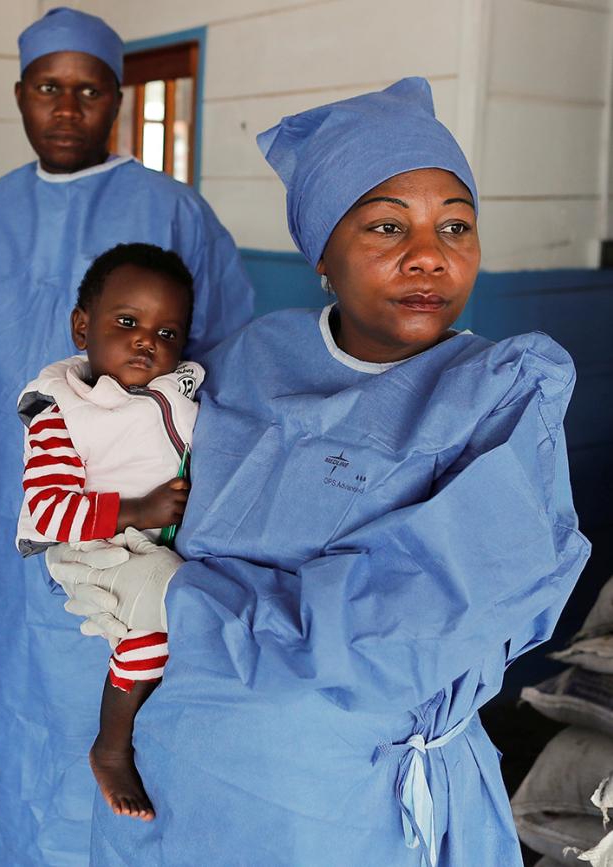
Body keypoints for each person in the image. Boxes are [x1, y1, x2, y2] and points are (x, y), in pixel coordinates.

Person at [48, 77, 592, 867]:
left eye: (457, 225)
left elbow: (410, 627)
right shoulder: (239, 366)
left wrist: (178, 597)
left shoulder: (501, 399)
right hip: (177, 777)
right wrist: (88, 537)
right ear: (324, 259)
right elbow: (121, 465)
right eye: (385, 225)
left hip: (341, 806)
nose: (429, 255)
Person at [0, 8, 254, 862]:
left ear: (115, 100)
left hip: (147, 514)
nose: (67, 108)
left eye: (88, 91)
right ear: (21, 95)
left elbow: (220, 362)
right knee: (27, 698)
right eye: (49, 88)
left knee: (137, 686)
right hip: (26, 496)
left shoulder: (171, 209)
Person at [15, 243, 201, 821]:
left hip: (152, 536)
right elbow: (45, 511)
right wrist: (135, 511)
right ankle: (112, 745)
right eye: (127, 322)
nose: (148, 340)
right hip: (97, 546)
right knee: (157, 609)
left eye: (168, 332)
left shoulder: (177, 389)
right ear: (81, 327)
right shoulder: (63, 414)